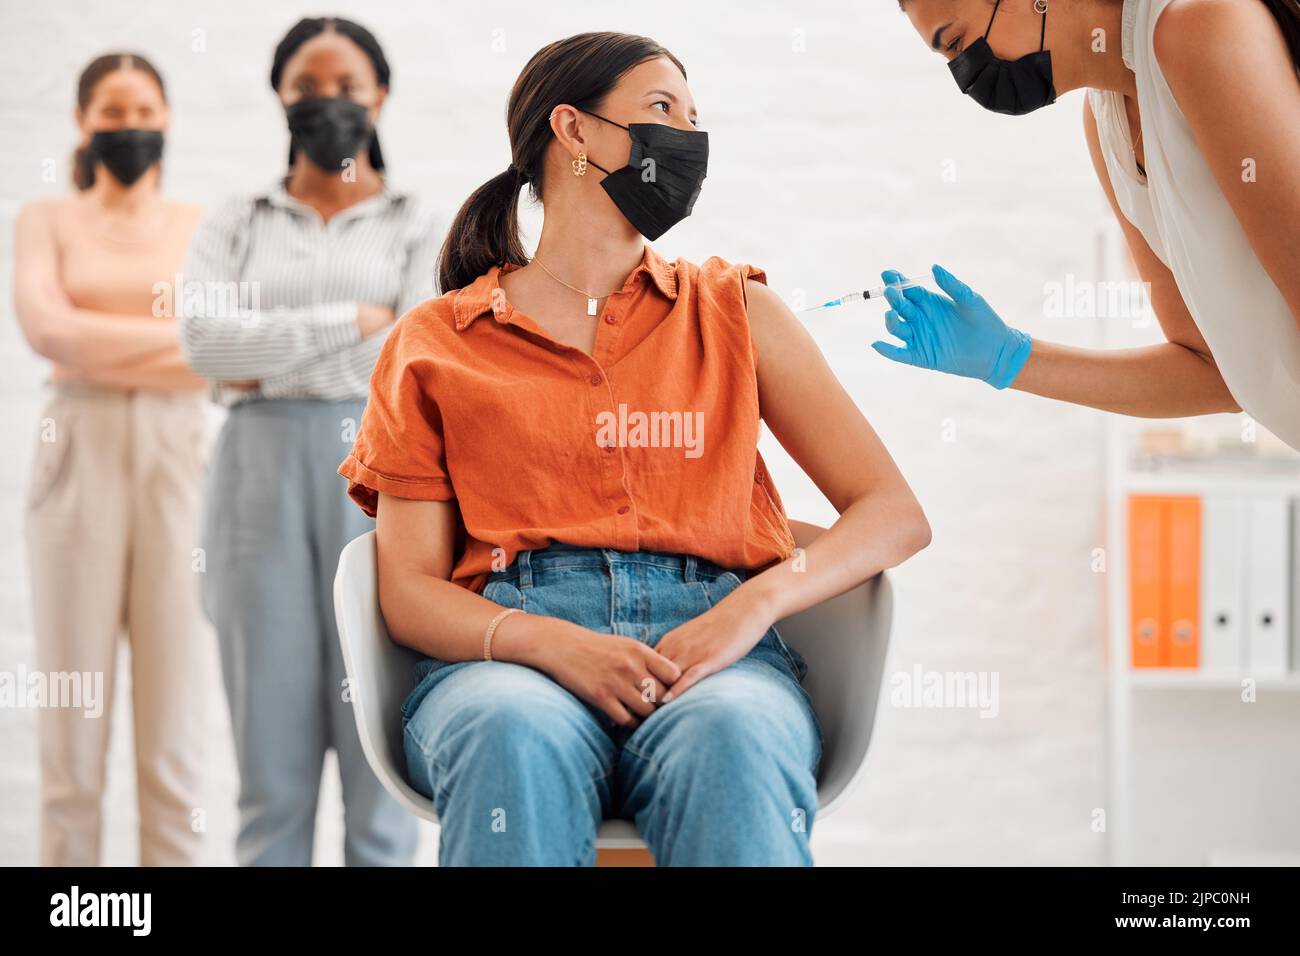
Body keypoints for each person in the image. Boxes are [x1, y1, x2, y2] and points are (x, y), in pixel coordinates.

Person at [337, 31, 931, 866]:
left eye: (694, 119)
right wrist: (550, 643)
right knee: (510, 734)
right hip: (512, 656)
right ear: (571, 132)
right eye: (661, 111)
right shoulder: (437, 343)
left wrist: (747, 610)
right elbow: (408, 591)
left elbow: (893, 515)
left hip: (716, 660)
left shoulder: (737, 312)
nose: (686, 140)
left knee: (733, 742)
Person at [179, 16, 441, 866]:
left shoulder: (419, 222)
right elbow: (204, 346)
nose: (327, 103)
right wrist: (350, 322)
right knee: (270, 770)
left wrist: (270, 348)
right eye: (307, 88)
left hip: (386, 481)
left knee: (383, 765)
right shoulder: (235, 219)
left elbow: (414, 353)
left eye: (347, 87)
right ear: (279, 97)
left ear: (382, 96)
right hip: (254, 485)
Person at [880, 0, 1300, 449]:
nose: (966, 76)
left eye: (959, 43)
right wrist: (1008, 359)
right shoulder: (1107, 125)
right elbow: (1212, 371)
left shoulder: (1197, 26)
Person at [13, 53, 212, 866]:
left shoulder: (200, 224)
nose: (127, 124)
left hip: (178, 457)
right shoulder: (46, 219)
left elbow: (219, 353)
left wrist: (96, 342)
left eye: (142, 108)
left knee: (173, 722)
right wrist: (182, 344)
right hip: (77, 454)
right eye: (110, 109)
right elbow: (47, 333)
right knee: (73, 715)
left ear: (165, 119)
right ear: (82, 122)